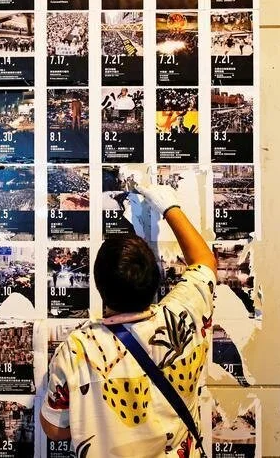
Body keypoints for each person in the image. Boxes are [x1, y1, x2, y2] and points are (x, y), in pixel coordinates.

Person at [40, 183, 217, 458]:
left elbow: (56, 430)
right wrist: (170, 207)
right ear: (156, 280)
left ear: (99, 287)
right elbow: (204, 261)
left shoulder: (80, 348)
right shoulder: (184, 315)